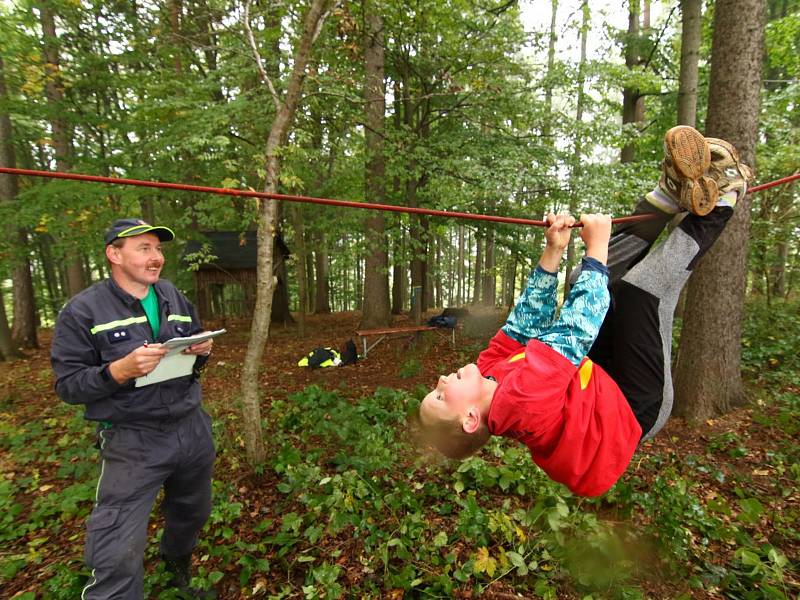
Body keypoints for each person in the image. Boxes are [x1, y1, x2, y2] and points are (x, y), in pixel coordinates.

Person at [419, 126, 753, 497]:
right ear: (470, 419)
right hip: (634, 405)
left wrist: (554, 251)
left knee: (584, 277)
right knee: (638, 294)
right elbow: (575, 330)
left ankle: (668, 197)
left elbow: (523, 324)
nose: (441, 382)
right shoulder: (521, 404)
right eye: (439, 397)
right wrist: (597, 248)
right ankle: (725, 197)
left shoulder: (491, 371)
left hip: (595, 383)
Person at [51, 219, 218, 599]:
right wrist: (117, 371)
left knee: (192, 510)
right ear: (114, 254)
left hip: (191, 427)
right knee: (117, 541)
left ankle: (177, 569)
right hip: (133, 439)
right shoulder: (82, 311)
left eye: (158, 249)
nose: (156, 257)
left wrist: (200, 352)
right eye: (144, 248)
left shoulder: (172, 296)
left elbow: (192, 350)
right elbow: (68, 385)